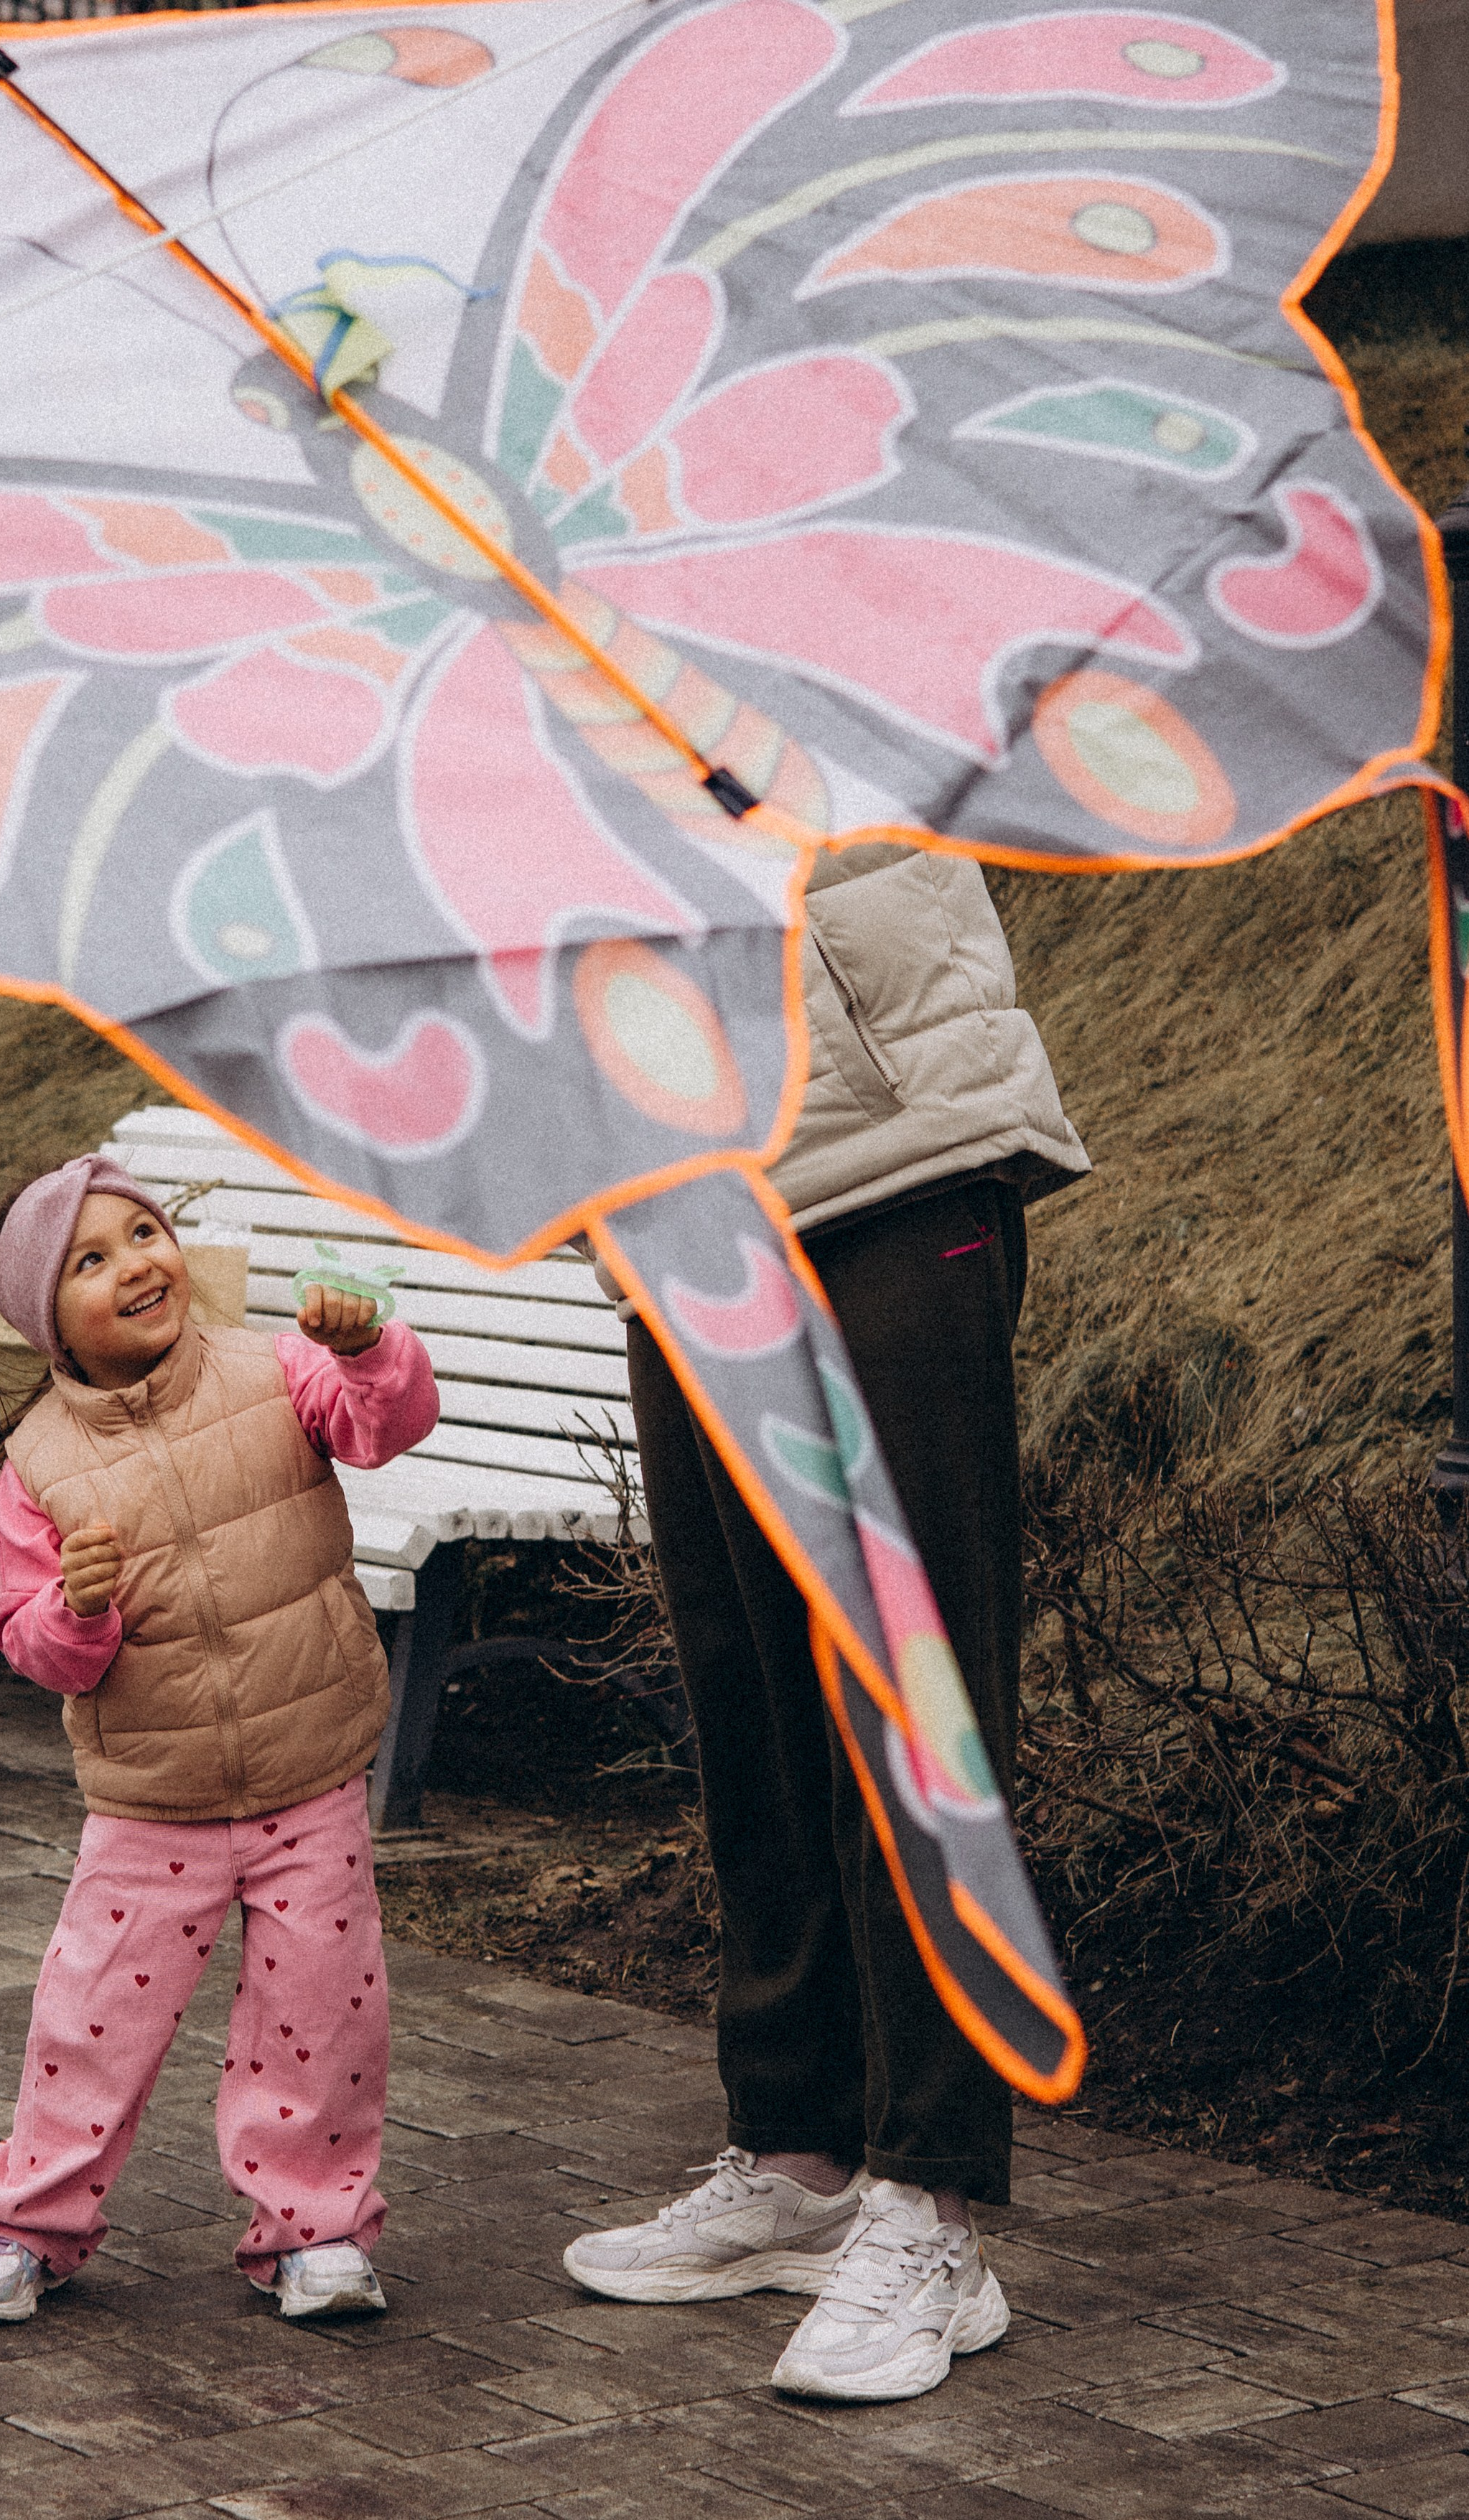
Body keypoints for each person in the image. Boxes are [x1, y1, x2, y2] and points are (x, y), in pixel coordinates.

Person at [563, 841, 1089, 2402]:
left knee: (914, 1698)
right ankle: (795, 2160)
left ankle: (936, 2202)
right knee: (749, 1699)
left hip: (893, 1149)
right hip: (679, 1191)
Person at [0, 1152, 438, 2325]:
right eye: (93, 1260)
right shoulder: (42, 1461)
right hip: (153, 1803)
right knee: (90, 2022)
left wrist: (367, 1347)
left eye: (144, 1232)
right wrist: (77, 1609)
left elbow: (382, 1425)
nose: (137, 1263)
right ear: (51, 1317)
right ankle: (23, 2222)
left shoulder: (275, 1366)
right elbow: (29, 1641)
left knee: (323, 2014)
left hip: (312, 1776)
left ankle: (317, 2227)